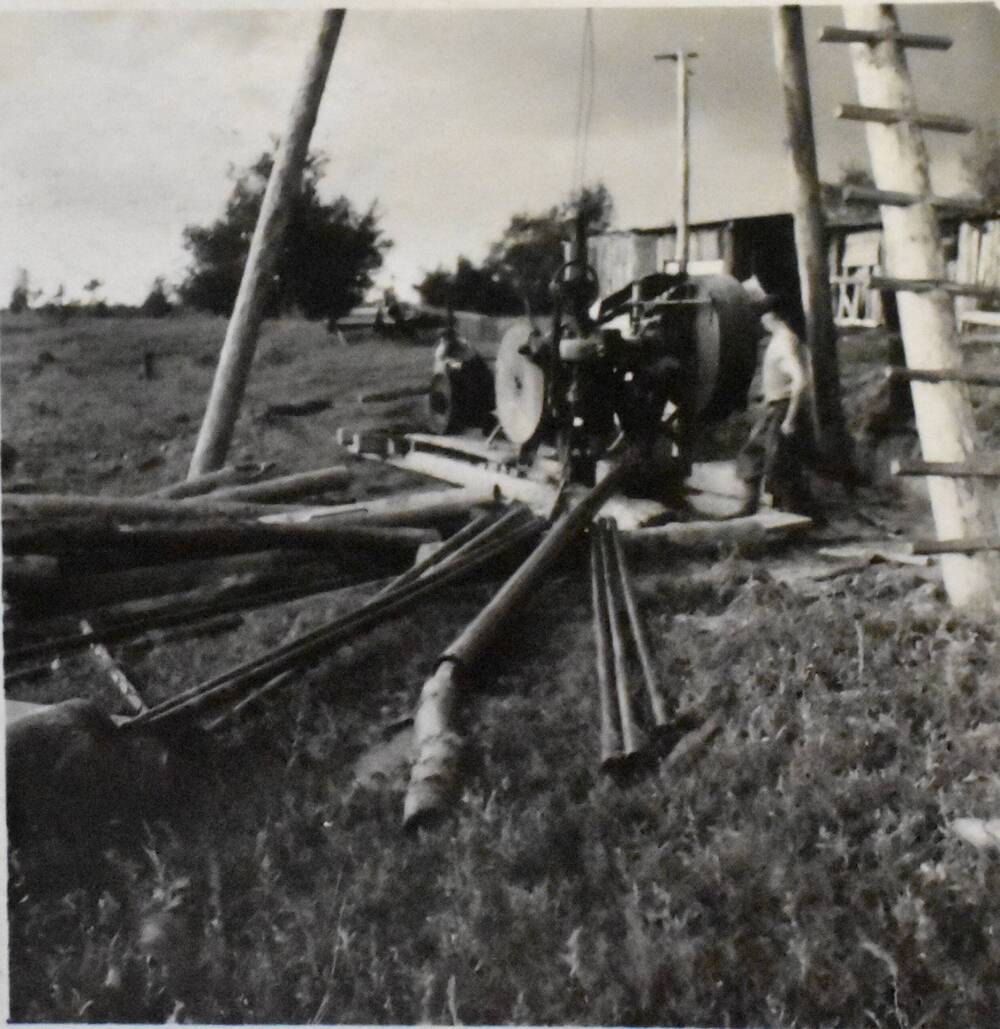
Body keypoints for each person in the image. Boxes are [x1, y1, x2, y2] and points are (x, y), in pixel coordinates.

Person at [736, 297, 814, 516]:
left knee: (779, 465)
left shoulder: (784, 342)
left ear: (770, 317)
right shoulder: (784, 338)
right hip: (776, 408)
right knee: (754, 455)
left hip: (783, 408)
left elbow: (801, 380)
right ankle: (750, 507)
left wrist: (790, 417)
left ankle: (797, 516)